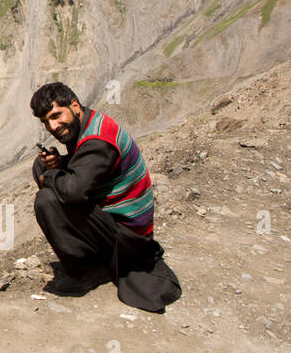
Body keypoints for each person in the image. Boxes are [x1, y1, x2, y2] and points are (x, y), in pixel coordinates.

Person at [29, 81, 181, 312]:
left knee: (47, 200)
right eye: (46, 122)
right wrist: (55, 167)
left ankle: (87, 272)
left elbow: (74, 191)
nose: (53, 126)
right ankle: (95, 259)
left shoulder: (98, 140)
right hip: (117, 222)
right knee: (41, 167)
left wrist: (48, 177)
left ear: (74, 105)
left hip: (128, 238)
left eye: (56, 116)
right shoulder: (89, 123)